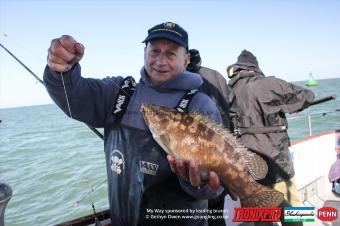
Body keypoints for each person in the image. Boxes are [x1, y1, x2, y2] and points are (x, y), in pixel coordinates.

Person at [43, 22, 224, 226]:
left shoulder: (201, 105)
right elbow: (75, 97)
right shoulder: (119, 92)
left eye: (171, 54)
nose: (160, 61)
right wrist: (61, 71)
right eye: (154, 51)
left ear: (186, 59)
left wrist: (199, 184)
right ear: (145, 52)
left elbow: (214, 184)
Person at [226, 50, 315, 226]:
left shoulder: (229, 92)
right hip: (278, 164)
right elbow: (308, 96)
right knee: (292, 214)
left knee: (261, 219)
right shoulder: (269, 83)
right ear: (256, 67)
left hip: (249, 169)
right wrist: (287, 106)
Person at [187, 49, 233, 226]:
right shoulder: (216, 76)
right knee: (217, 210)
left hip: (200, 157)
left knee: (201, 210)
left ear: (184, 60)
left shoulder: (183, 81)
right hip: (223, 151)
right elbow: (232, 104)